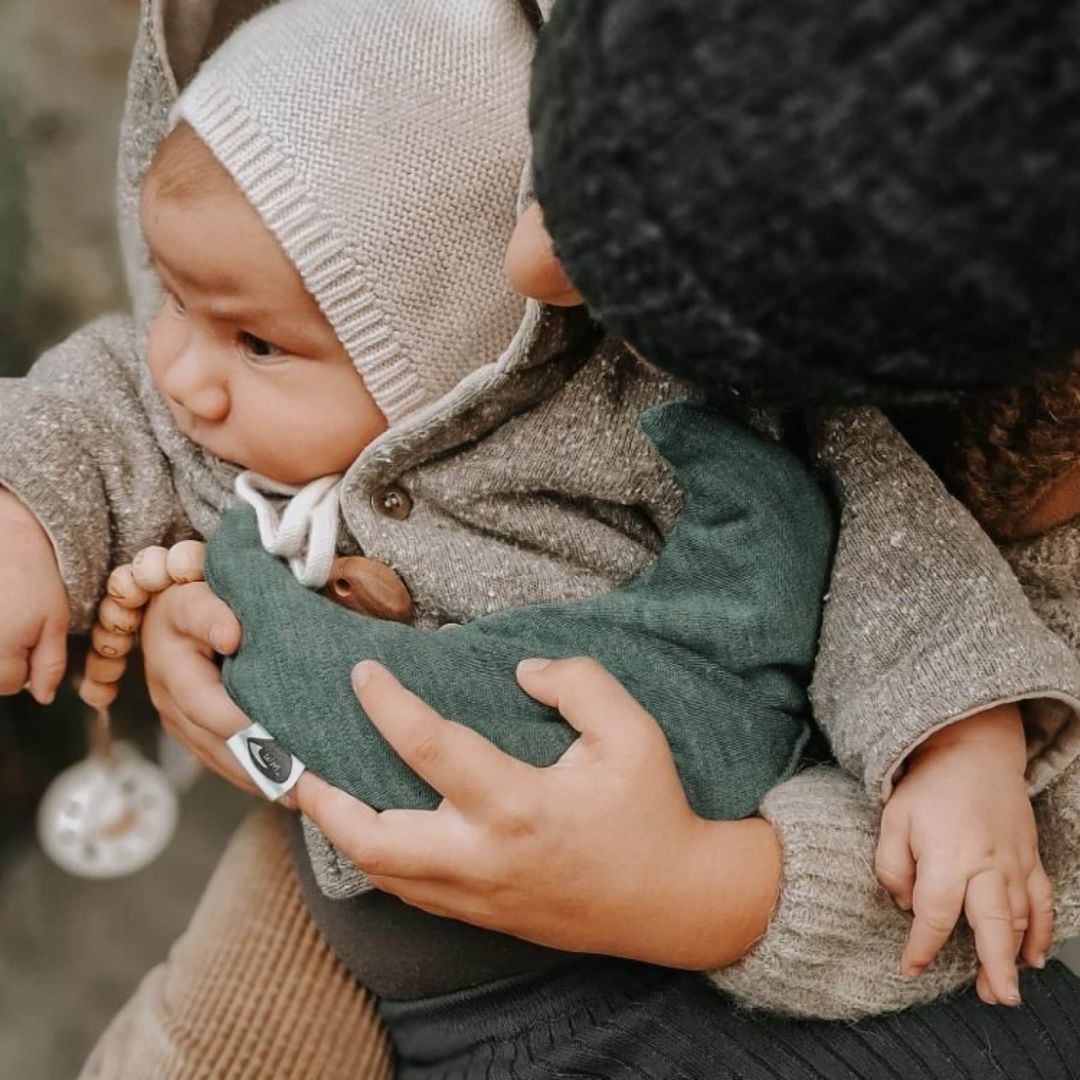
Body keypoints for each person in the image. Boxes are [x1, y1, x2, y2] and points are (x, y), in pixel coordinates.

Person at [1, 0, 1072, 1074]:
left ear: (465, 356)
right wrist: (29, 518)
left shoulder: (646, 422)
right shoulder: (242, 351)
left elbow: (890, 554)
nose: (180, 367)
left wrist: (956, 748)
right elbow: (99, 406)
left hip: (638, 962)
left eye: (252, 341)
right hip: (357, 909)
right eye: (176, 302)